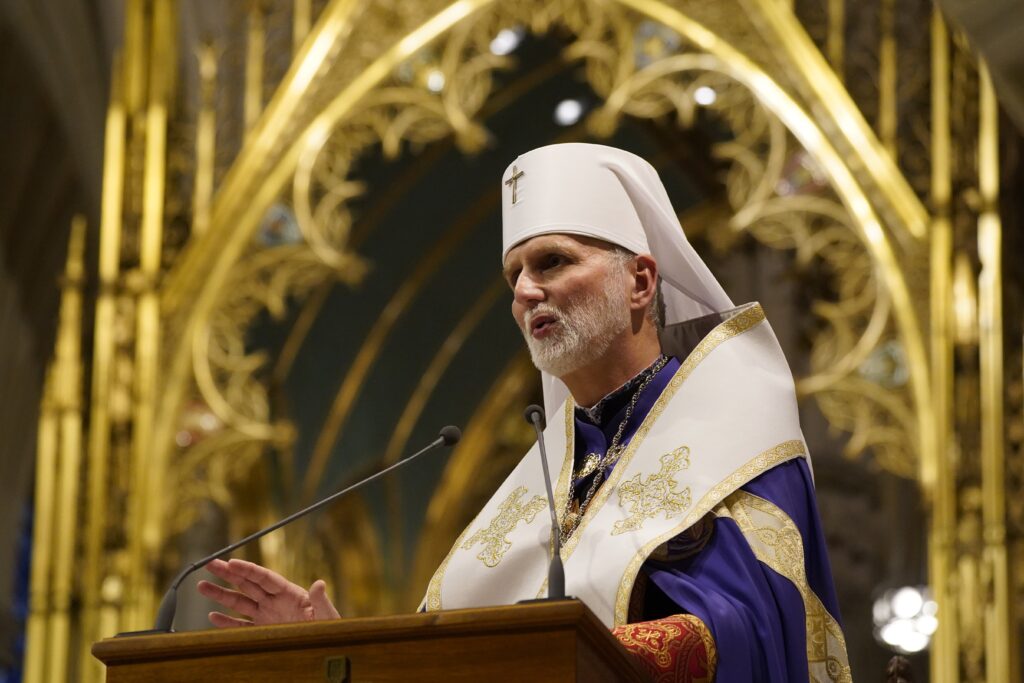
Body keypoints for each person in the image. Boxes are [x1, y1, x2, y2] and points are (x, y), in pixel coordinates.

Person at [198, 143, 851, 682]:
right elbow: (448, 660)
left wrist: (552, 657)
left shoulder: (737, 430)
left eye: (553, 262)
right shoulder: (544, 468)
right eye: (515, 275)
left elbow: (757, 629)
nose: (525, 291)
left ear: (641, 282)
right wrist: (343, 651)